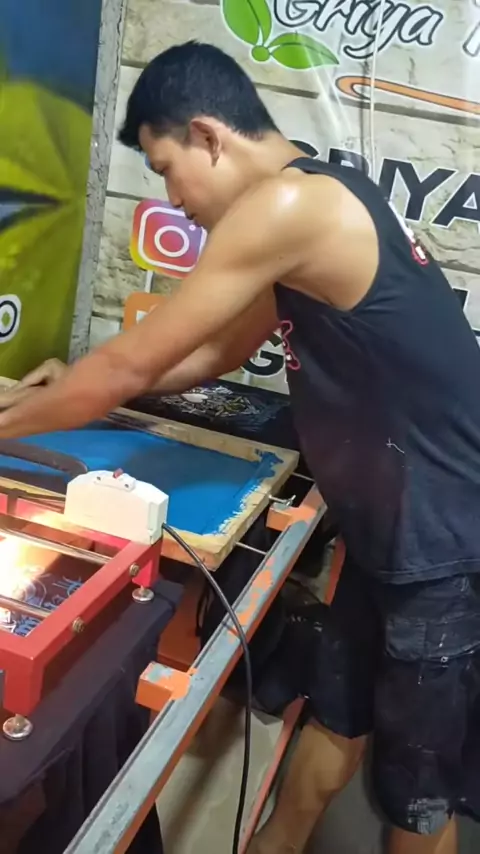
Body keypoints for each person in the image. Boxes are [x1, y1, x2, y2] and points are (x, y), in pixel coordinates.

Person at [1, 41, 480, 854]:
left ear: (207, 136)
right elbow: (213, 354)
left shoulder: (289, 207)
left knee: (416, 797)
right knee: (338, 717)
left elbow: (130, 368)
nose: (172, 198)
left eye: (165, 168)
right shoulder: (316, 198)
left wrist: (66, 395)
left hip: (446, 548)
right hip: (394, 533)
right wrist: (63, 386)